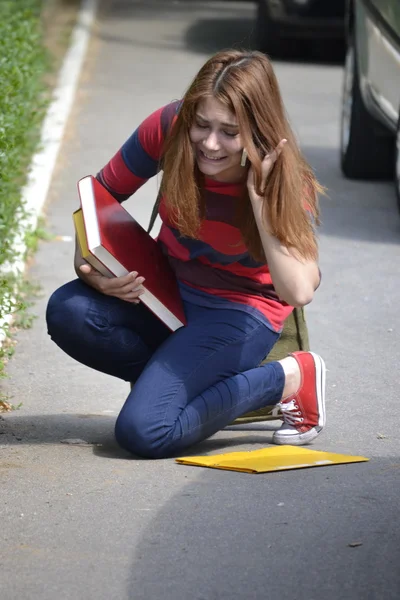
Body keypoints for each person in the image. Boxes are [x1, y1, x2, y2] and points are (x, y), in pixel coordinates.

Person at [46, 49, 326, 459]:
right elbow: (100, 195)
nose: (211, 144)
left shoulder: (283, 175)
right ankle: (197, 392)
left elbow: (299, 289)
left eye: (230, 132)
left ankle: (289, 378)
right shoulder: (169, 127)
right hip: (165, 293)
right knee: (69, 311)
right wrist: (87, 265)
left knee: (146, 432)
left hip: (238, 313)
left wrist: (262, 201)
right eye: (202, 125)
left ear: (258, 129)